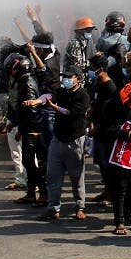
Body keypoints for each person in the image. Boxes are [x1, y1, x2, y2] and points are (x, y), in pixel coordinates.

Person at [42, 66, 90, 221]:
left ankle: (79, 207)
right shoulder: (62, 92)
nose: (66, 80)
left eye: (70, 77)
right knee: (53, 176)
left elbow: (71, 113)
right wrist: (37, 101)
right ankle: (53, 208)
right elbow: (50, 95)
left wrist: (55, 108)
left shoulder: (82, 95)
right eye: (65, 77)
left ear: (78, 79)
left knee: (77, 177)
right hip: (58, 139)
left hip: (74, 140)